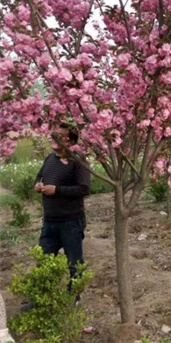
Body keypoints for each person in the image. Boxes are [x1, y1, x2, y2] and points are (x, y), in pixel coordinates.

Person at [34, 123, 91, 289]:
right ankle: (42, 297)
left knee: (74, 262)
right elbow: (39, 177)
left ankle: (74, 296)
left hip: (71, 221)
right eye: (55, 134)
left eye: (60, 135)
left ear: (70, 139)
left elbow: (84, 188)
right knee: (44, 260)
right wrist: (38, 185)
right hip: (50, 221)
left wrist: (56, 190)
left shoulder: (77, 160)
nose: (55, 138)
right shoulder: (50, 159)